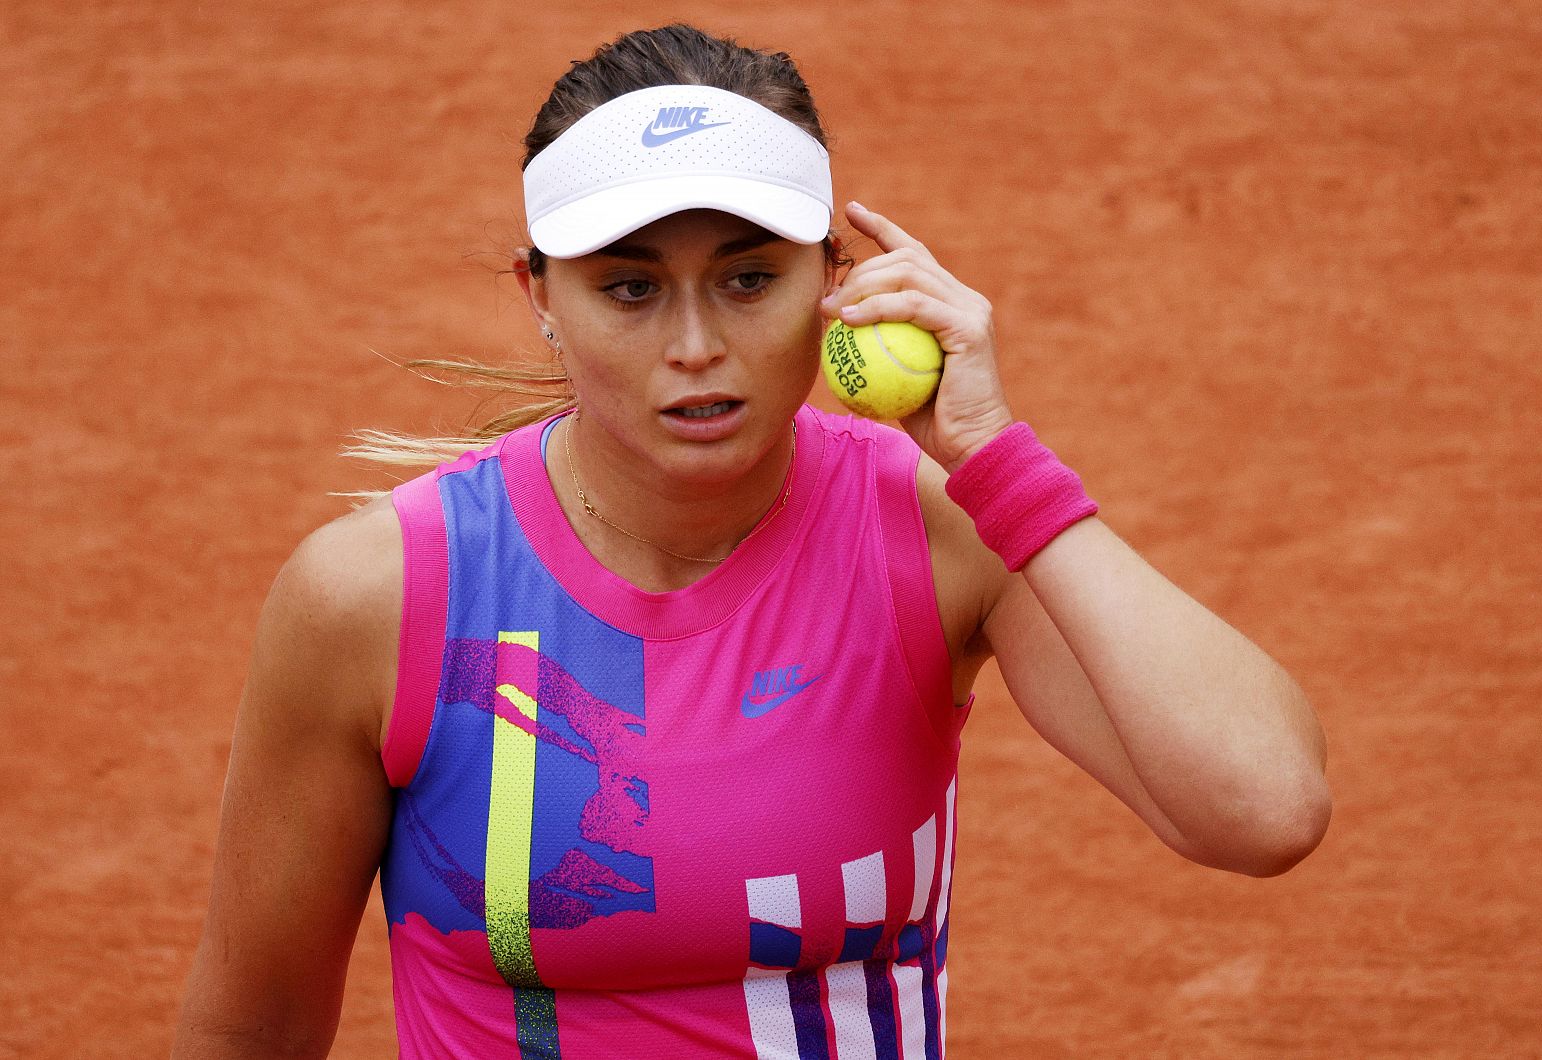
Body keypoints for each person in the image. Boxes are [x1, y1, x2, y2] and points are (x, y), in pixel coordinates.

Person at [172, 22, 1330, 1060]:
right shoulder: (380, 599)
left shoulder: (936, 526)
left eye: (747, 279)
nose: (693, 345)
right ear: (541, 294)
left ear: (839, 281)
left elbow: (1261, 809)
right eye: (630, 289)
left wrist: (995, 463)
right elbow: (250, 1028)